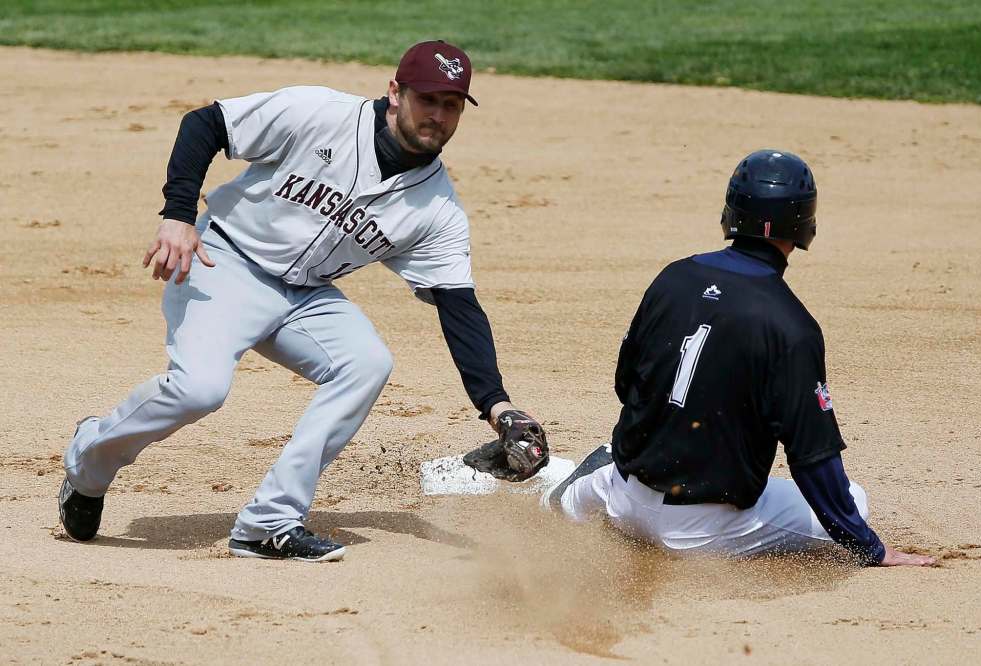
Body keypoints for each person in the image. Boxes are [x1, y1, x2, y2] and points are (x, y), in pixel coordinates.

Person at [59, 40, 548, 562]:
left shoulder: (437, 209)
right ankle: (89, 460)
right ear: (394, 93)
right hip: (225, 262)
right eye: (427, 99)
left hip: (306, 296)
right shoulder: (318, 112)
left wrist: (497, 406)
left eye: (451, 105)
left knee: (366, 363)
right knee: (199, 389)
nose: (437, 115)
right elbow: (206, 124)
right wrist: (178, 215)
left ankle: (269, 522)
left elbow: (460, 309)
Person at [542, 150, 934, 567]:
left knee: (605, 478)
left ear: (732, 211)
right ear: (804, 223)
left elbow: (626, 384)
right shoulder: (792, 325)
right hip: (698, 531)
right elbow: (813, 459)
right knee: (855, 499)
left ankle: (576, 492)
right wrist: (871, 548)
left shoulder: (673, 276)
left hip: (622, 496)